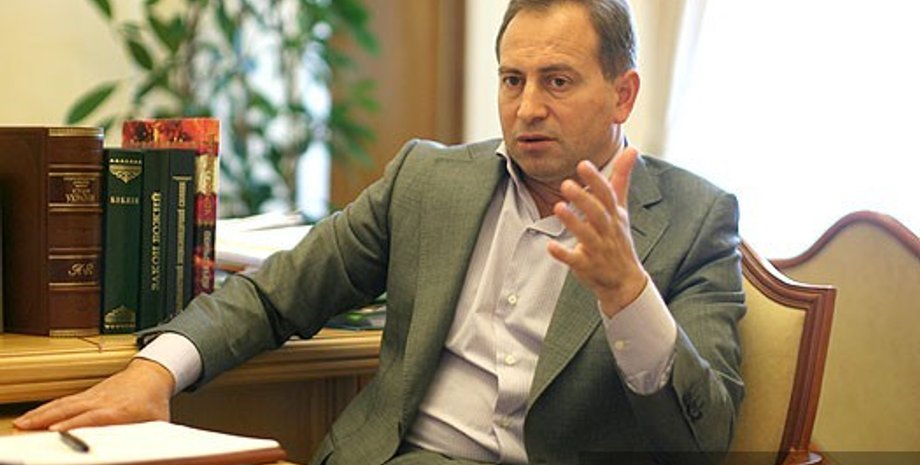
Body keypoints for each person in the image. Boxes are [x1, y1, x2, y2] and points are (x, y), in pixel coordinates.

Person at [15, 0, 745, 463]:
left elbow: (706, 435)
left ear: (623, 93)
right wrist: (154, 373)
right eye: (511, 80)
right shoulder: (429, 181)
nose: (526, 108)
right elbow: (278, 292)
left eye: (557, 81)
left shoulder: (694, 219)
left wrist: (626, 294)